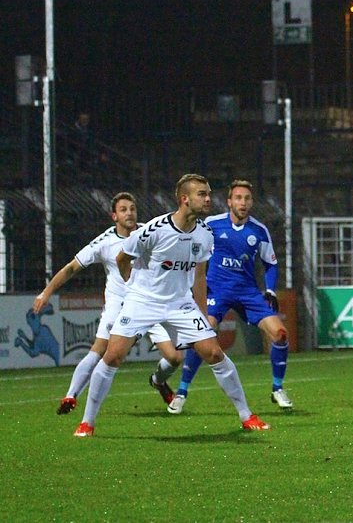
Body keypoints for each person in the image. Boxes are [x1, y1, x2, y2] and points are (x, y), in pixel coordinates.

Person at [73, 174, 269, 437]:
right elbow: (122, 258)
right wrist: (133, 286)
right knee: (113, 356)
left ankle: (247, 416)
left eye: (208, 193)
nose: (209, 198)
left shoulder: (205, 234)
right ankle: (87, 422)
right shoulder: (154, 229)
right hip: (143, 301)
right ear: (184, 199)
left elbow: (199, 276)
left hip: (180, 303)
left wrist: (203, 314)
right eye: (202, 194)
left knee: (214, 353)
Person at [34, 192, 182, 415]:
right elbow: (71, 268)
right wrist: (45, 293)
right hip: (119, 306)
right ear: (114, 216)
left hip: (148, 304)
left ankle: (158, 381)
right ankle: (71, 396)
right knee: (99, 350)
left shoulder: (148, 232)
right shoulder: (105, 242)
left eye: (132, 208)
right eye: (123, 210)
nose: (129, 213)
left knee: (173, 357)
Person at [168, 180, 293, 414]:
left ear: (252, 202)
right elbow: (194, 252)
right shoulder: (211, 224)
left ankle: (278, 388)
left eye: (247, 198)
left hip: (247, 292)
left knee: (280, 334)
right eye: (238, 198)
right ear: (229, 202)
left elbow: (271, 264)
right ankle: (182, 392)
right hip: (217, 291)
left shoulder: (259, 231)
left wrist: (270, 290)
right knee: (204, 333)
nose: (243, 203)